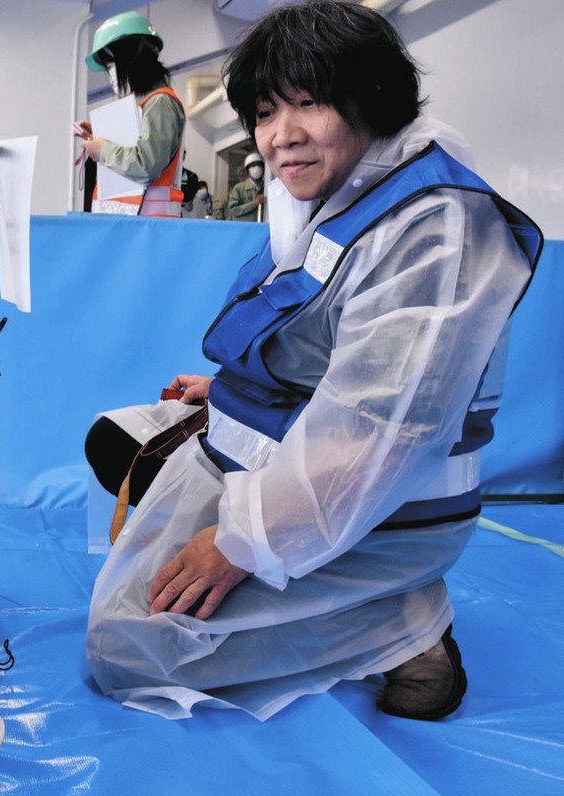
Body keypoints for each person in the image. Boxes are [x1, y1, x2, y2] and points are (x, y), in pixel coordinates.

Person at [84, 1, 542, 722]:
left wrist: (237, 545)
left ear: (373, 100)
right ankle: (316, 587)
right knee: (119, 436)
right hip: (268, 456)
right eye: (266, 112)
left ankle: (405, 623)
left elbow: (381, 429)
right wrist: (228, 389)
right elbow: (323, 337)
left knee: (126, 650)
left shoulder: (436, 225)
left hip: (378, 513)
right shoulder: (337, 189)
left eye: (309, 103)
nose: (280, 136)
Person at [74, 11, 186, 217]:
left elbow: (147, 164)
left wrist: (104, 150)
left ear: (130, 59)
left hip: (148, 228)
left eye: (110, 65)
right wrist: (99, 136)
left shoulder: (160, 103)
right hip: (135, 227)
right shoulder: (146, 104)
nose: (110, 75)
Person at [225, 152, 266, 221]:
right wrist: (254, 203)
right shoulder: (239, 188)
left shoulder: (267, 187)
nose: (257, 168)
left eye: (259, 165)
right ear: (247, 170)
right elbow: (233, 211)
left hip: (262, 227)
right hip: (244, 229)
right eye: (253, 166)